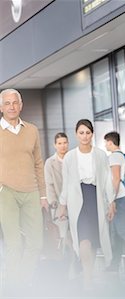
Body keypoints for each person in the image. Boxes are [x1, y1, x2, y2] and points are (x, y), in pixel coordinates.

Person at [57, 119, 115, 291]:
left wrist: (111, 202)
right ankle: (87, 277)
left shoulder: (100, 155)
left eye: (88, 133)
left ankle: (88, 272)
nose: (84, 136)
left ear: (92, 134)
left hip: (95, 198)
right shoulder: (69, 157)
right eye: (81, 133)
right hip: (77, 200)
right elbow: (66, 182)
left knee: (94, 240)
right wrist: (62, 204)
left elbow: (106, 180)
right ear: (76, 134)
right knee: (83, 239)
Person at [0, 89, 48, 294]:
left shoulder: (32, 130)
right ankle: (14, 290)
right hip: (6, 191)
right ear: (1, 107)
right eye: (7, 103)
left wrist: (43, 195)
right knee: (14, 244)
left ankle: (21, 282)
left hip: (31, 192)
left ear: (21, 105)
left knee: (36, 243)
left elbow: (38, 163)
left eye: (15, 103)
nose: (11, 107)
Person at [104, 131, 125, 271]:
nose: (105, 145)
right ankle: (114, 264)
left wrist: (112, 199)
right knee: (116, 232)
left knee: (122, 230)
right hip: (124, 197)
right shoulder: (121, 155)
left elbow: (115, 179)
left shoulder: (114, 157)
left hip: (121, 198)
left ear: (110, 142)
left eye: (106, 142)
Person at [44, 132, 72, 257]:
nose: (63, 146)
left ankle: (76, 261)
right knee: (62, 235)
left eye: (65, 143)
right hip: (58, 205)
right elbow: (49, 185)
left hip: (75, 202)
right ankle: (64, 262)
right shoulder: (50, 163)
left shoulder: (73, 160)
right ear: (55, 145)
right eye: (60, 143)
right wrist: (54, 203)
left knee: (76, 234)